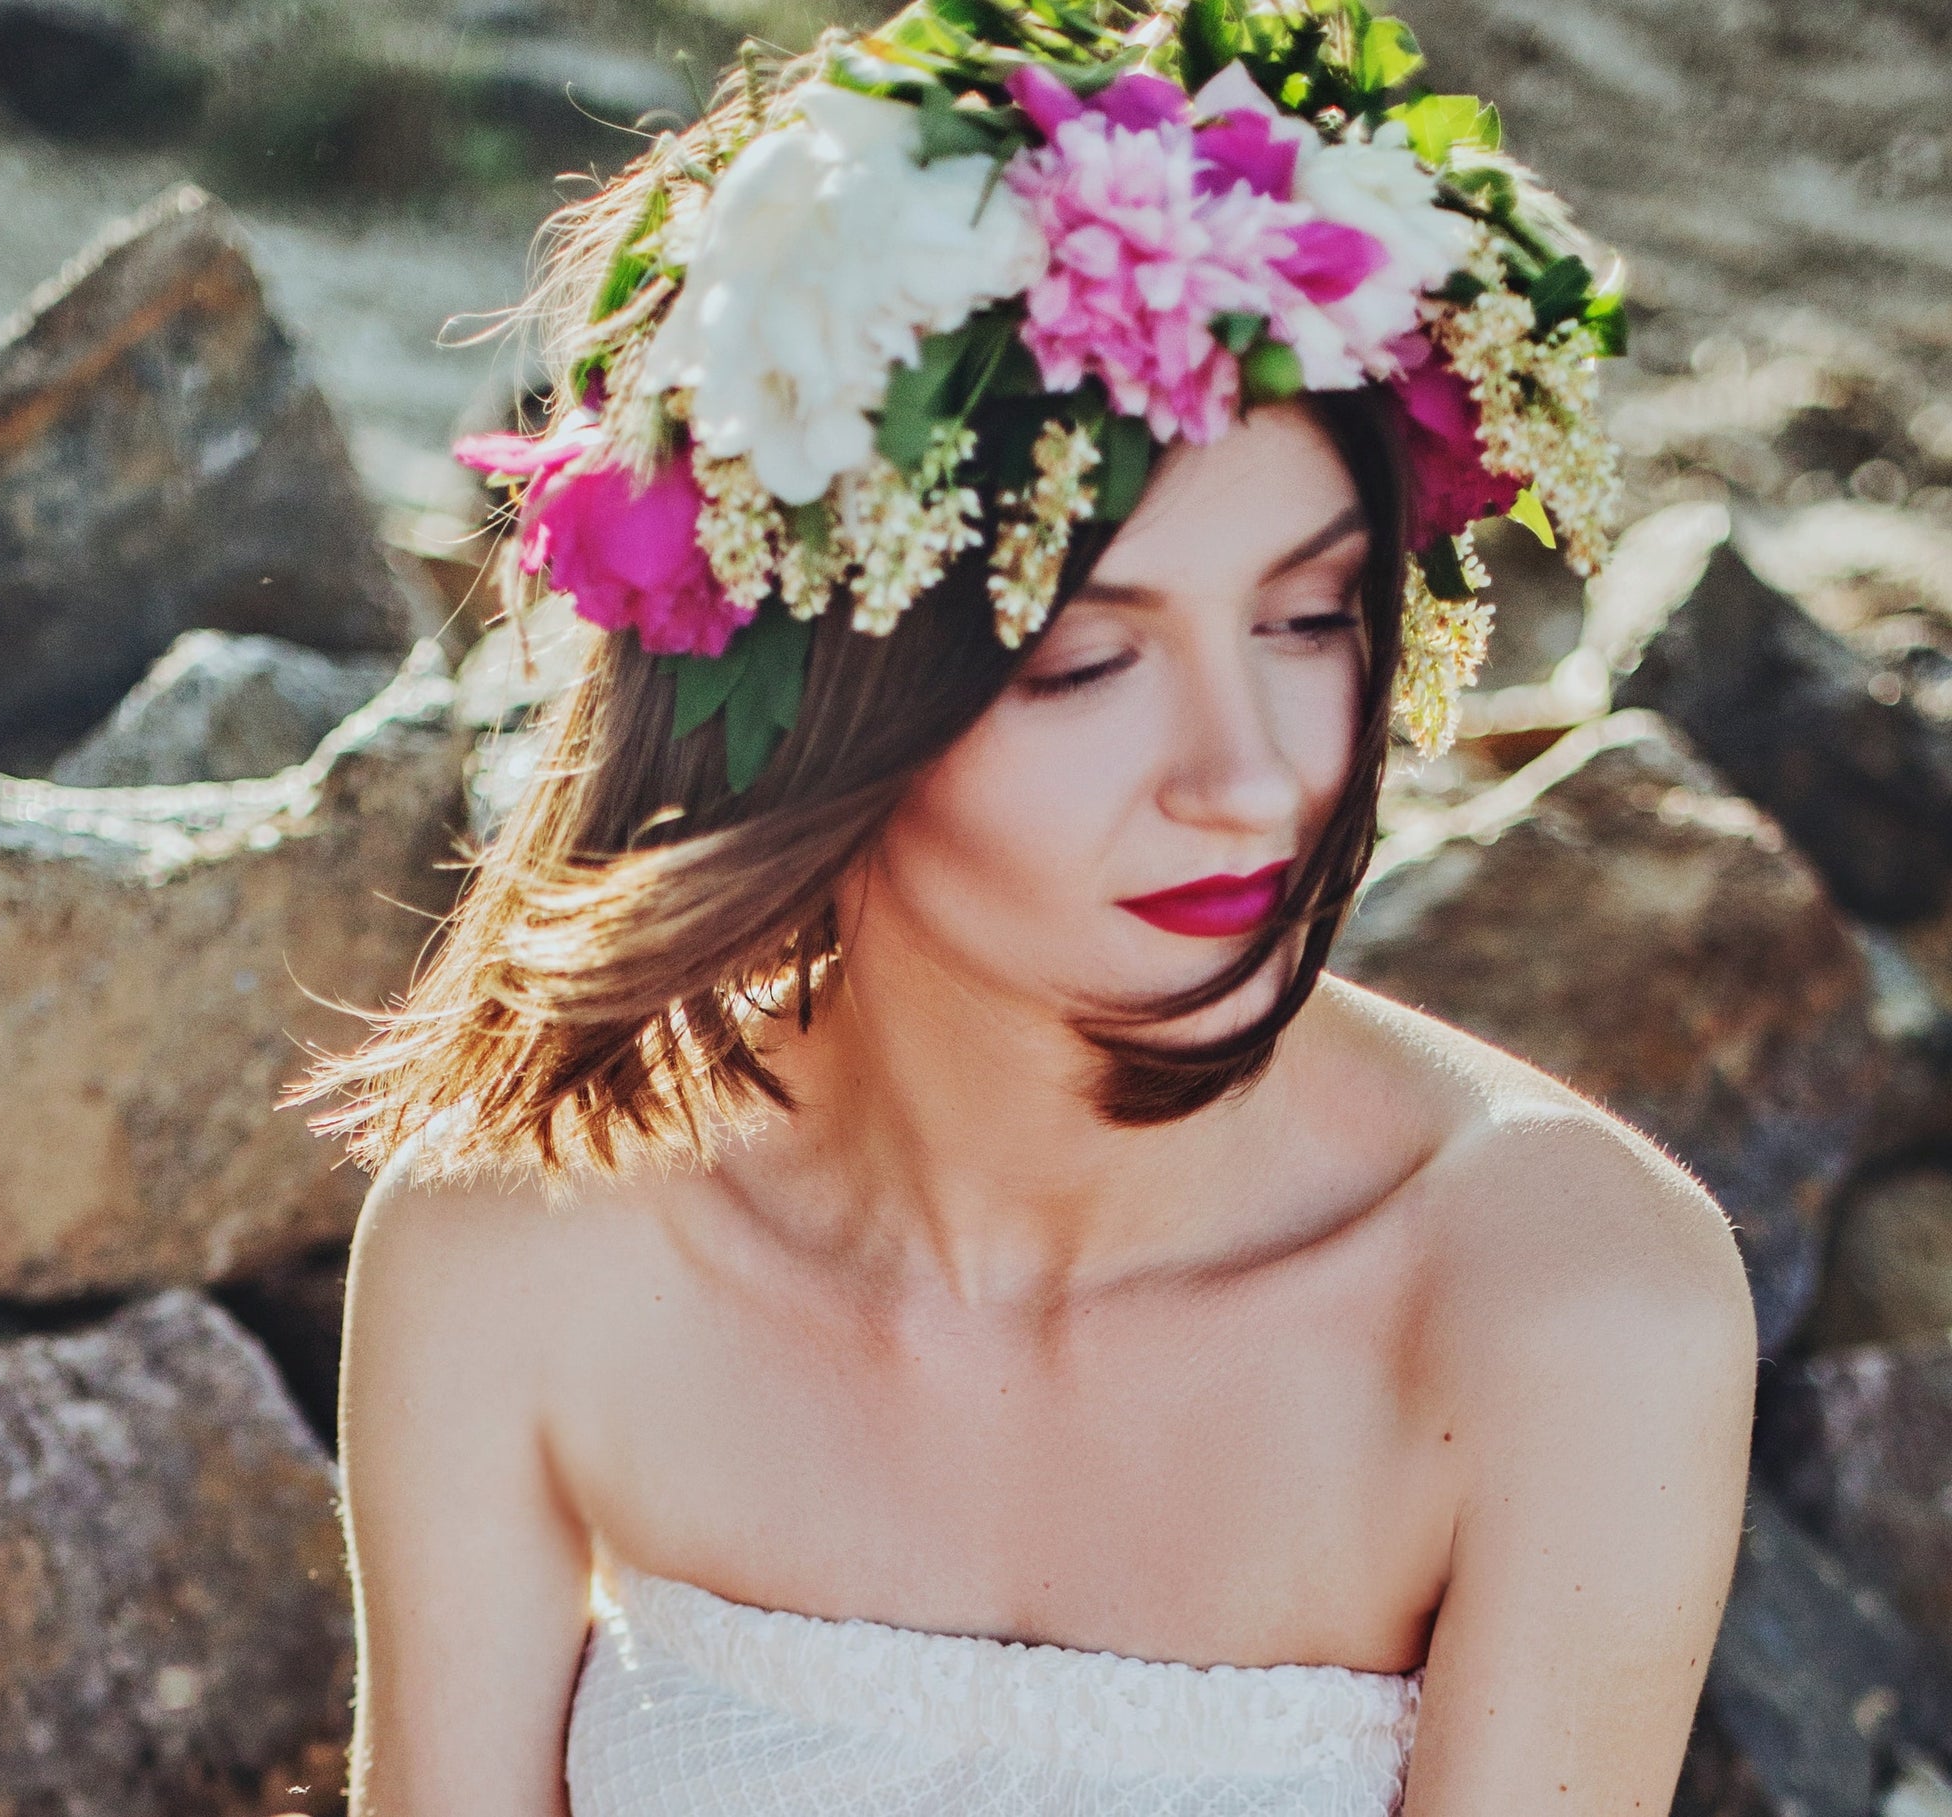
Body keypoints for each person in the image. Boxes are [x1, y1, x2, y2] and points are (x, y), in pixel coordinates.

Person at [304, 2, 1759, 1809]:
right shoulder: (517, 1248)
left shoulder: (1567, 1302)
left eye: (1306, 619)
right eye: (1087, 657)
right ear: (828, 685)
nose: (1248, 774)